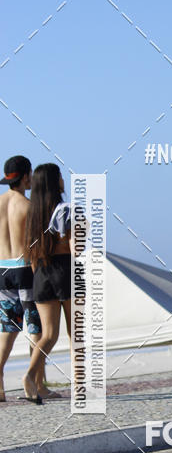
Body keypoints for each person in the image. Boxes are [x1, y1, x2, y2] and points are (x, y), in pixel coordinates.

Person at [22, 164, 72, 403]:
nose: (63, 179)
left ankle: (30, 375)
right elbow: (74, 247)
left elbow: (31, 255)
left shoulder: (33, 216)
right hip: (64, 269)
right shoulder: (65, 210)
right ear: (54, 182)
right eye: (60, 176)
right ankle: (81, 385)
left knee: (49, 334)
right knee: (76, 333)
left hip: (41, 272)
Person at [0, 156, 43, 400]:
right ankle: (34, 382)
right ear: (26, 177)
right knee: (35, 327)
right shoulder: (28, 206)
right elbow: (35, 247)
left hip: (2, 270)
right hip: (24, 269)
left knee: (8, 328)